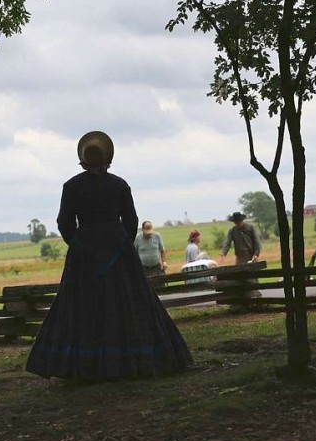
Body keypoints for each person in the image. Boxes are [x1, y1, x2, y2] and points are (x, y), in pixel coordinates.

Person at [26, 130, 192, 381]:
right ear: (108, 159)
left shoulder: (72, 186)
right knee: (129, 304)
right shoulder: (119, 184)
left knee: (81, 307)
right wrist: (121, 242)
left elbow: (64, 222)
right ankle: (134, 361)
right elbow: (132, 220)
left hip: (85, 253)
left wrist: (79, 243)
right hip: (118, 252)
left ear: (83, 160)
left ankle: (82, 366)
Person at [219, 212, 262, 298]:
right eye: (235, 222)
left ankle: (256, 295)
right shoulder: (232, 231)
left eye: (238, 221)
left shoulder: (250, 228)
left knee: (253, 276)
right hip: (240, 257)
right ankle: (243, 296)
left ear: (242, 220)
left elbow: (257, 242)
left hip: (251, 256)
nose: (237, 224)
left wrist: (256, 254)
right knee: (239, 276)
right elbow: (227, 242)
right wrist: (223, 253)